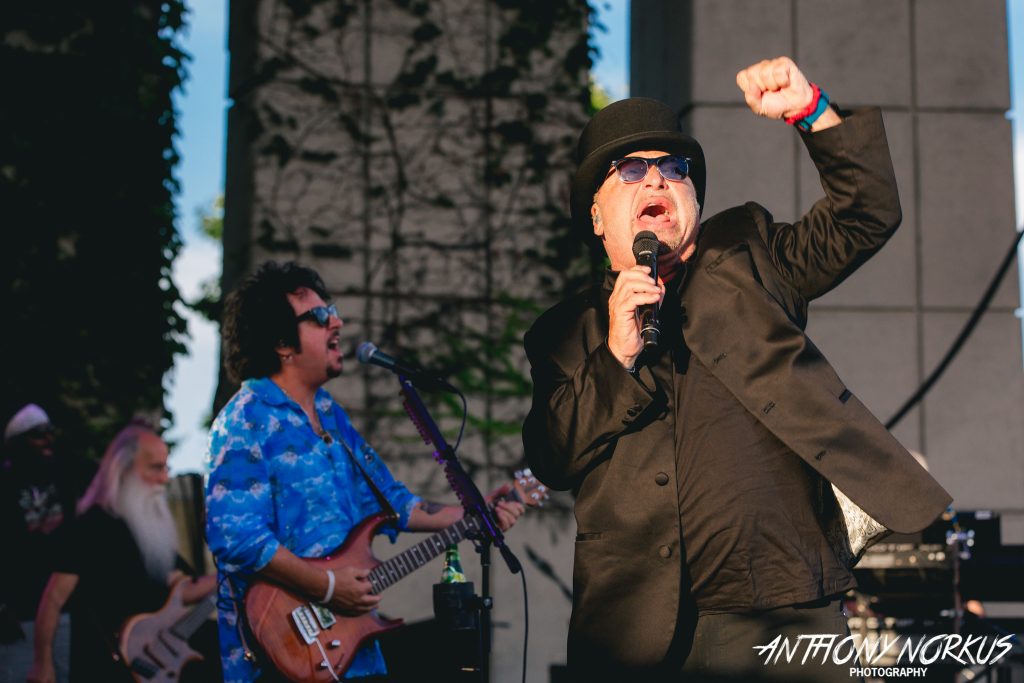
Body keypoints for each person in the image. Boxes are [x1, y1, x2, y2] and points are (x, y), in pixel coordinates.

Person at [522, 57, 953, 681]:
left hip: (787, 607)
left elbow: (867, 214)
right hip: (637, 633)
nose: (659, 182)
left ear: (693, 197)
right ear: (595, 214)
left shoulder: (749, 253)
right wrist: (615, 354)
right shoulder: (566, 333)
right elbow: (551, 457)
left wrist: (812, 111)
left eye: (675, 170)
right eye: (632, 171)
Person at [206, 261, 524, 683]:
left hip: (354, 656)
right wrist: (328, 588)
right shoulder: (245, 419)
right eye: (319, 317)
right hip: (277, 659)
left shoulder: (330, 417)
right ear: (282, 343)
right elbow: (238, 538)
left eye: (331, 309)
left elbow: (396, 504)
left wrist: (475, 516)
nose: (336, 320)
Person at [28, 424, 217, 683]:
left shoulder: (151, 530)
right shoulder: (91, 526)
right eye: (155, 467)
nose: (164, 478)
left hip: (161, 664)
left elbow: (182, 589)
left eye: (166, 467)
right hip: (106, 665)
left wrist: (237, 573)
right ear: (123, 469)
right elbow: (53, 600)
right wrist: (42, 662)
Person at [0, 405, 93, 683]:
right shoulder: (5, 485)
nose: (48, 440)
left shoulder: (66, 477)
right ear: (17, 442)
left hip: (63, 611)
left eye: (50, 433)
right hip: (17, 617)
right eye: (38, 435)